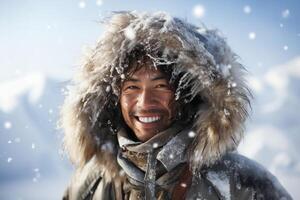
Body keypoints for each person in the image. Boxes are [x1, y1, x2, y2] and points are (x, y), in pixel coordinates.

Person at [61, 11, 292, 200]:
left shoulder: (240, 182)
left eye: (160, 86)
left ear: (188, 95)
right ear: (115, 98)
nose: (144, 102)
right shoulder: (92, 182)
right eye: (132, 88)